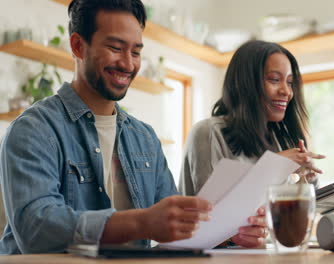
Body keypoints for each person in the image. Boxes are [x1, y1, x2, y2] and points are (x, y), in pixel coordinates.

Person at [0, 0, 265, 254]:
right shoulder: (34, 130)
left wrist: (228, 233)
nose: (128, 64)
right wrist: (141, 223)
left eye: (136, 52)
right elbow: (36, 230)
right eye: (115, 48)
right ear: (78, 46)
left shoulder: (145, 138)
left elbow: (175, 226)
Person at [180, 40, 325, 197]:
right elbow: (210, 210)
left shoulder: (277, 140)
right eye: (275, 79)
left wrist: (308, 179)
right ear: (246, 83)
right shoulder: (208, 133)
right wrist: (272, 166)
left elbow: (292, 209)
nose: (286, 91)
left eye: (290, 82)